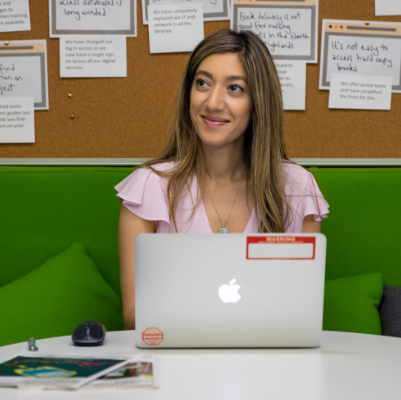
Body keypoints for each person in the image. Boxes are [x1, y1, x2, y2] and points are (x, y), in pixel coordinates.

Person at [115, 29, 330, 330]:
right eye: (202, 83)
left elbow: (301, 314)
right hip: (176, 365)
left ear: (258, 102)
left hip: (270, 367)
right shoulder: (148, 187)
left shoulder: (297, 188)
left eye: (235, 88)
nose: (213, 102)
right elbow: (134, 318)